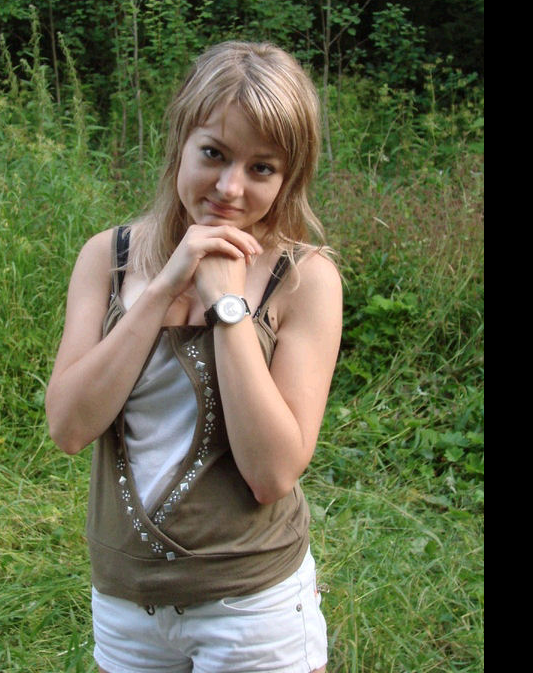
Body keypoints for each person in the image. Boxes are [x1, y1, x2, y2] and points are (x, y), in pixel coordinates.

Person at [46, 40, 342, 673]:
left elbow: (272, 473)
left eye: (262, 168)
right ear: (180, 140)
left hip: (253, 605)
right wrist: (161, 290)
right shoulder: (108, 257)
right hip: (126, 601)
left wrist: (226, 306)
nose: (230, 187)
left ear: (288, 178)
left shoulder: (304, 279)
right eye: (214, 153)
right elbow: (69, 428)